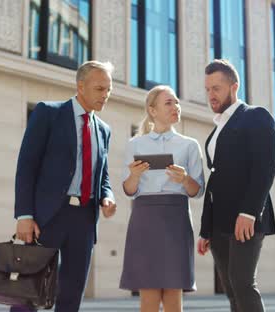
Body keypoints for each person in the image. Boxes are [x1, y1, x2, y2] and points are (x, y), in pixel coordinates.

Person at [13, 60, 117, 312]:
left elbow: (102, 175)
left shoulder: (104, 130)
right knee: (30, 290)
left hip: (84, 218)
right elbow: (27, 164)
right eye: (100, 89)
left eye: (109, 90)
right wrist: (24, 215)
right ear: (80, 86)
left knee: (72, 292)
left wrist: (107, 195)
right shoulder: (48, 113)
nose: (106, 95)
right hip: (48, 216)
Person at [197, 59, 275, 312]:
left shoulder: (256, 116)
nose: (211, 94)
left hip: (246, 218)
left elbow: (265, 169)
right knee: (231, 289)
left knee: (243, 283)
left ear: (234, 87)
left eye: (217, 88)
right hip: (220, 221)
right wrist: (205, 229)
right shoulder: (217, 129)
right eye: (208, 89)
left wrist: (249, 212)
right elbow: (214, 181)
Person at [119, 85, 205, 312]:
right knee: (148, 294)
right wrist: (135, 175)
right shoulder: (134, 144)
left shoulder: (190, 145)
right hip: (145, 218)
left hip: (176, 218)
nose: (176, 106)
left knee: (174, 293)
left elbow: (198, 191)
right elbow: (128, 189)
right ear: (152, 110)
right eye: (169, 102)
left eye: (177, 102)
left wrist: (185, 179)